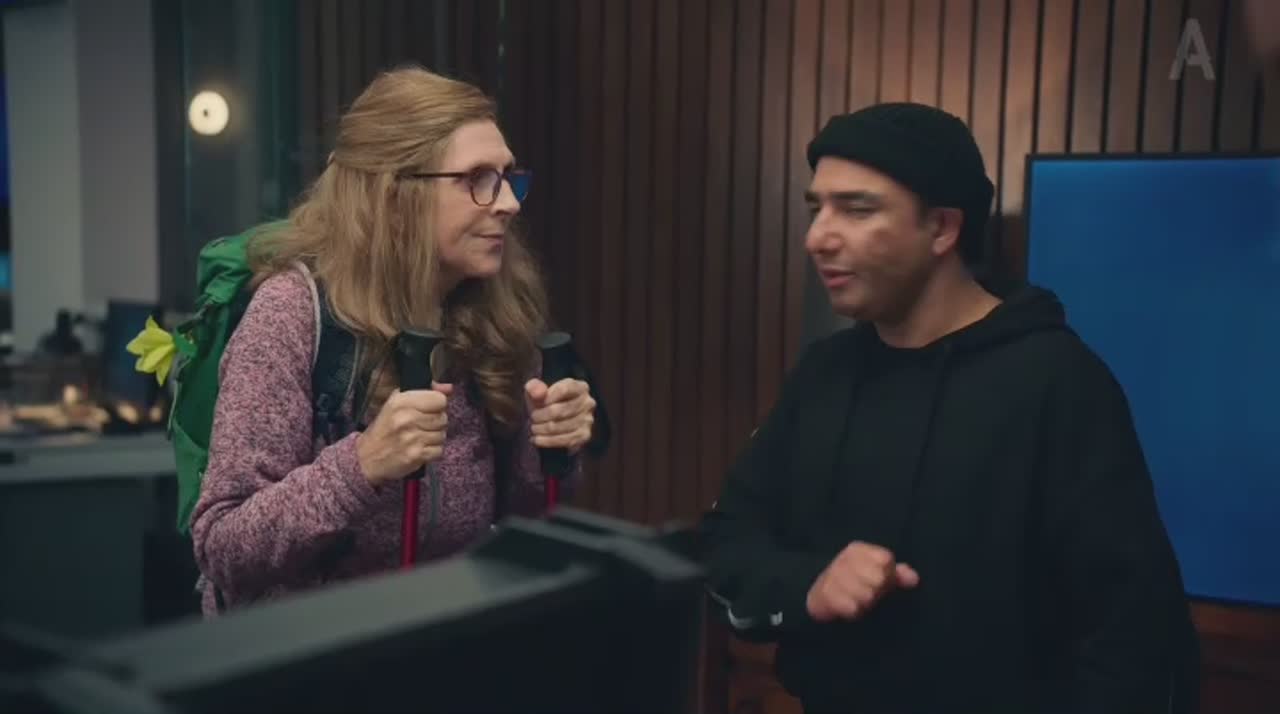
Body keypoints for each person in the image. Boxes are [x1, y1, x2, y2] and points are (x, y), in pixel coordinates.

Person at [699, 103, 1199, 713]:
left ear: (941, 228)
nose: (817, 238)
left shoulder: (1057, 382)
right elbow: (726, 545)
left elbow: (1133, 639)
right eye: (816, 209)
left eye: (856, 209)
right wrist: (809, 586)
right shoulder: (822, 376)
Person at [191, 67, 597, 615]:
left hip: (439, 641)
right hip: (317, 653)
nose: (509, 203)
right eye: (479, 179)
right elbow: (224, 546)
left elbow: (519, 515)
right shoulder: (292, 314)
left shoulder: (494, 314)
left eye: (508, 177)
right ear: (395, 194)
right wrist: (360, 466)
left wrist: (550, 448)